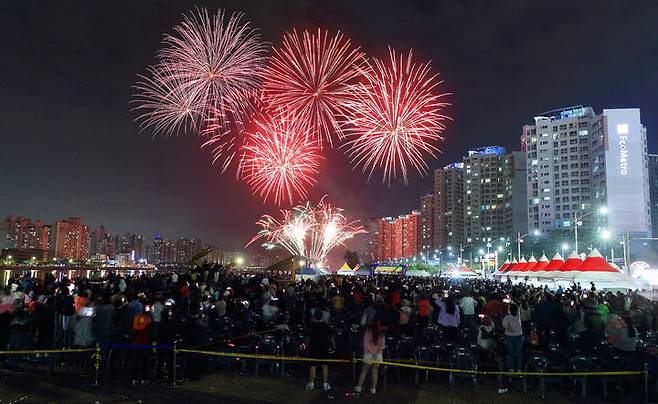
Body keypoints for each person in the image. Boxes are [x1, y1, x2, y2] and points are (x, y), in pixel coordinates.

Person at [305, 309, 332, 391]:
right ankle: (325, 384)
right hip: (324, 347)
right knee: (325, 366)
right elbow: (330, 336)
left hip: (314, 347)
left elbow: (307, 337)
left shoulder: (311, 326)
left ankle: (311, 383)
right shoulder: (326, 326)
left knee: (313, 366)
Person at [355, 321, 385, 395]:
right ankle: (373, 389)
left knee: (364, 371)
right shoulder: (381, 334)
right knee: (375, 371)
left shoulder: (367, 333)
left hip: (368, 355)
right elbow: (382, 346)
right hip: (378, 356)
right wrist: (376, 353)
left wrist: (372, 353)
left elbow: (366, 345)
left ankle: (359, 387)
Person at [502, 304, 523, 372]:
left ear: (510, 310)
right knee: (519, 353)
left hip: (509, 337)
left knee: (510, 353)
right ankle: (519, 369)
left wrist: (510, 329)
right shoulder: (518, 315)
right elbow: (519, 307)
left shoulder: (507, 317)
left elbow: (503, 324)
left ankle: (511, 368)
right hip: (519, 336)